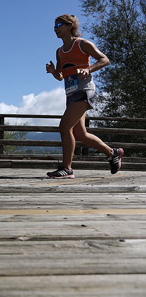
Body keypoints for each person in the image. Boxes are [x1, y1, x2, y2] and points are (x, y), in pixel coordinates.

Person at [46, 14, 124, 179]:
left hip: (84, 90)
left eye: (59, 24)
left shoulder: (82, 44)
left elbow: (105, 59)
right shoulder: (59, 52)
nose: (56, 28)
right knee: (80, 134)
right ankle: (112, 153)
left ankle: (67, 169)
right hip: (70, 93)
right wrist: (54, 72)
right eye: (54, 26)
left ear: (69, 25)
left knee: (64, 127)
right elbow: (61, 75)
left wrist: (88, 69)